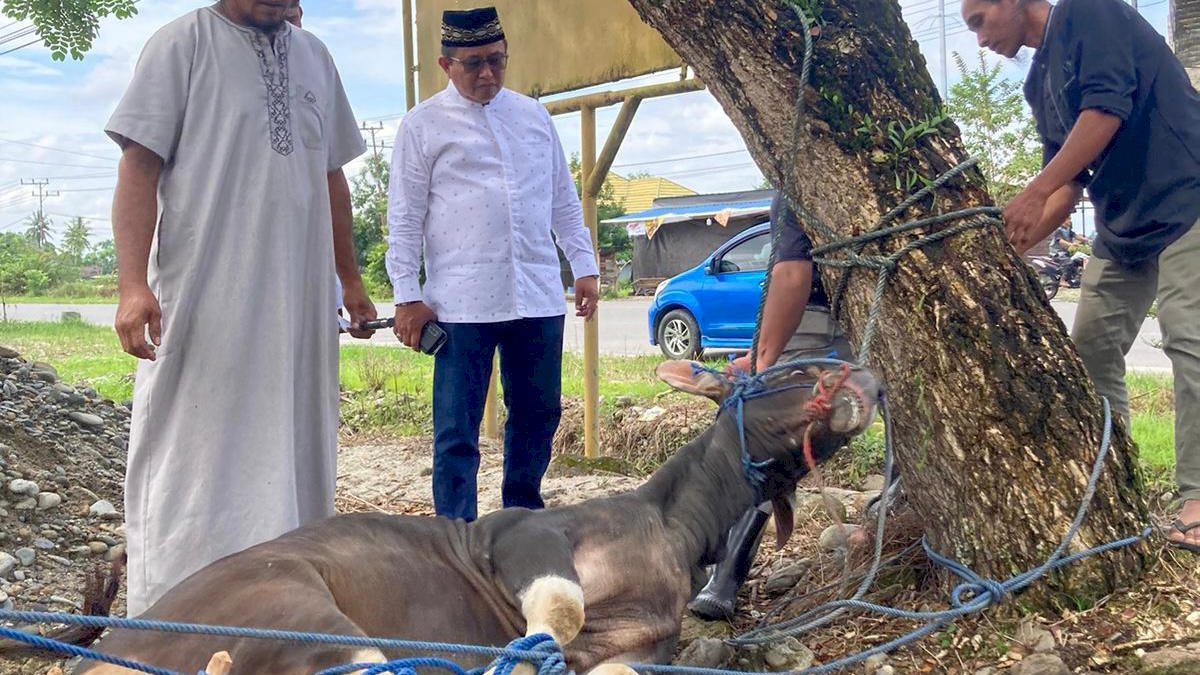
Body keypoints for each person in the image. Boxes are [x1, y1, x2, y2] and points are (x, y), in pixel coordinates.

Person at [107, 0, 375, 614]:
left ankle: (284, 607)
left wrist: (350, 282)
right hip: (207, 298)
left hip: (302, 306)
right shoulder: (181, 45)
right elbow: (138, 169)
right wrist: (131, 286)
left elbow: (332, 178)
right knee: (192, 451)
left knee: (297, 441)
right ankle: (172, 616)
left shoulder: (315, 57)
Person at [962, 0, 1200, 552]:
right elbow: (1067, 185)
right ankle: (1118, 482)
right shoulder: (1035, 86)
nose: (978, 40)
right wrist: (1009, 247)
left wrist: (1034, 190)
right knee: (1090, 345)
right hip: (1123, 226)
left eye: (978, 21)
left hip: (1188, 197)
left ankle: (1196, 499)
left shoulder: (1092, 15)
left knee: (1188, 339)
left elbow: (1105, 112)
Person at [385, 6, 599, 522]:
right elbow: (405, 216)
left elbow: (562, 201)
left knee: (538, 413)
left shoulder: (532, 117)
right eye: (473, 63)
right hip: (460, 303)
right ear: (445, 64)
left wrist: (584, 265)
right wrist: (406, 296)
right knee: (457, 431)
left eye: (497, 62)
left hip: (537, 295)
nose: (487, 75)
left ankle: (521, 520)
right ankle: (455, 537)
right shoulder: (422, 126)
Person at [688, 192, 857, 621]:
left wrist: (763, 363)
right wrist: (757, 352)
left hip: (823, 322)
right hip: (893, 325)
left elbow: (793, 278)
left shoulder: (799, 176)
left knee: (756, 428)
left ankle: (725, 574)